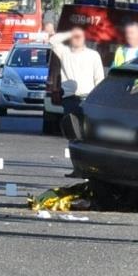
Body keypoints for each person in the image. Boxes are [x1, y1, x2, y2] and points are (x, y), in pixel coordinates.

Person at [49, 27, 104, 177]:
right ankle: (77, 168)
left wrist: (98, 99)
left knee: (88, 136)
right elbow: (52, 40)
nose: (77, 39)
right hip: (70, 99)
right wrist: (69, 32)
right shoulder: (65, 53)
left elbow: (99, 79)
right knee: (73, 136)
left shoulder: (93, 55)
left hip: (88, 99)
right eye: (74, 37)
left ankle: (90, 168)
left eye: (80, 36)